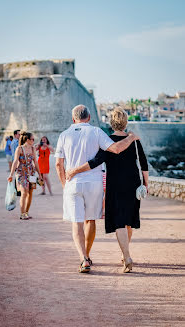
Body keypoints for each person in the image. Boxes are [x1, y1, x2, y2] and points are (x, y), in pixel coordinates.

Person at [55, 104, 139, 273]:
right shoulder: (96, 132)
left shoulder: (64, 135)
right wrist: (131, 138)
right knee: (90, 220)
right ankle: (88, 253)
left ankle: (83, 258)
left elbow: (58, 164)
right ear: (89, 117)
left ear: (73, 119)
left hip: (73, 183)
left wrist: (65, 185)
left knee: (76, 222)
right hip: (94, 183)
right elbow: (115, 149)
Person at [8, 131, 42, 220]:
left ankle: (26, 212)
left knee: (30, 193)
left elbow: (36, 162)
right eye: (32, 139)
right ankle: (22, 214)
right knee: (24, 192)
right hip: (21, 173)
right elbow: (15, 162)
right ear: (27, 140)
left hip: (31, 173)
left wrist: (40, 174)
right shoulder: (19, 149)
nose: (34, 141)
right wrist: (11, 174)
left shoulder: (33, 149)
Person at [11, 130, 21, 196]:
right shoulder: (15, 143)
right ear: (15, 135)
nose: (20, 135)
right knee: (18, 176)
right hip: (16, 161)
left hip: (17, 161)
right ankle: (18, 191)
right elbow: (15, 154)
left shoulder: (17, 142)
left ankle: (18, 190)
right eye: (18, 134)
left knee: (18, 176)